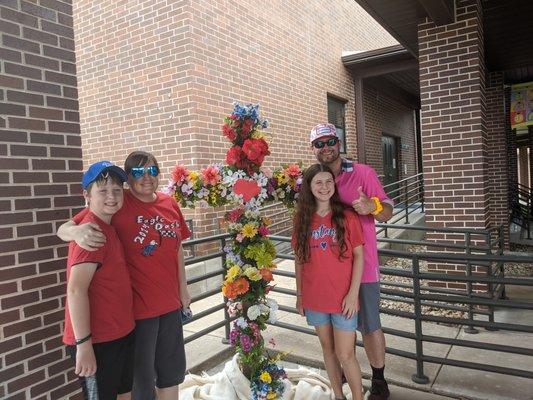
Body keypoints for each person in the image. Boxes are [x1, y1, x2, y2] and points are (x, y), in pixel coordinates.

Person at [58, 151, 191, 400]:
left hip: (167, 306)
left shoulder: (168, 203)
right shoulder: (118, 204)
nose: (147, 177)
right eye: (139, 172)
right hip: (138, 312)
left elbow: (178, 245)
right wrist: (73, 233)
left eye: (152, 171)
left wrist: (183, 287)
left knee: (170, 374)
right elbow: (71, 227)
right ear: (129, 178)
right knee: (140, 383)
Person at [309, 123, 393, 400]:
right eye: (319, 143)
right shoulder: (314, 180)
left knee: (369, 325)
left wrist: (373, 206)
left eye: (330, 141)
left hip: (363, 267)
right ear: (314, 149)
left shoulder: (362, 173)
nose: (325, 147)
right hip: (329, 272)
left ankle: (379, 382)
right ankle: (344, 375)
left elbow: (388, 211)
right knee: (335, 331)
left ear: (339, 142)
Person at [62, 161, 135, 400]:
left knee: (125, 394)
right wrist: (84, 345)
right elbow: (75, 291)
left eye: (116, 189)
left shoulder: (103, 222)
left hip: (121, 333)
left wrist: (68, 229)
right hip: (97, 342)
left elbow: (66, 227)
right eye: (103, 191)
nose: (112, 196)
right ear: (87, 195)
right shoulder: (90, 233)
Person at [292, 163, 365, 400]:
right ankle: (338, 395)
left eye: (328, 181)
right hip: (315, 297)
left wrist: (353, 294)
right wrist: (300, 295)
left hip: (344, 298)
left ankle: (356, 396)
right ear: (310, 187)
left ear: (334, 185)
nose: (324, 187)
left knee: (346, 354)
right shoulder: (302, 219)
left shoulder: (347, 216)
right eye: (318, 182)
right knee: (328, 350)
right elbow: (299, 259)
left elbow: (359, 256)